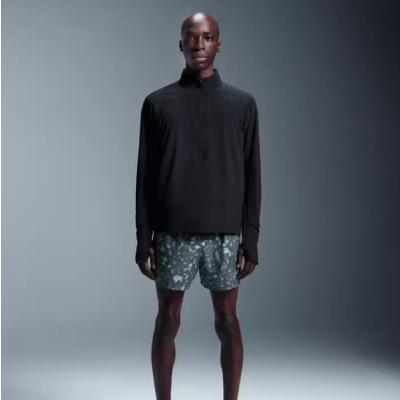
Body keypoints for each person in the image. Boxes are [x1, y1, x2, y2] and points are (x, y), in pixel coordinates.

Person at [135, 12, 262, 400]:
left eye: (207, 37)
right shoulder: (158, 104)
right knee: (167, 321)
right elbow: (145, 177)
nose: (198, 45)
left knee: (227, 321)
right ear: (180, 44)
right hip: (173, 232)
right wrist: (143, 238)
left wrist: (251, 238)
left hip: (224, 234)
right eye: (191, 37)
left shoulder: (242, 104)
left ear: (219, 44)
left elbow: (252, 174)